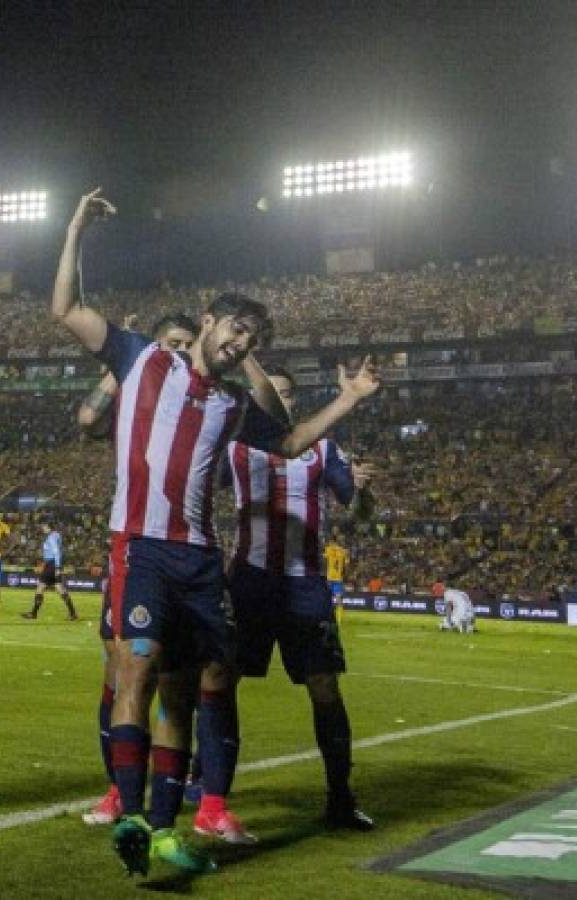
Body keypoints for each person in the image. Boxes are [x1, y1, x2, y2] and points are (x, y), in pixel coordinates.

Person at [53, 188, 380, 876]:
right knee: (134, 669)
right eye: (233, 331)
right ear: (207, 321)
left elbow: (290, 442)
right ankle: (133, 812)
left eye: (251, 341)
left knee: (183, 687)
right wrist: (76, 228)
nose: (239, 344)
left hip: (200, 559)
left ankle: (167, 826)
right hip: (139, 545)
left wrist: (346, 401)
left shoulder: (230, 405)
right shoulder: (143, 358)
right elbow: (65, 310)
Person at [199, 366, 377, 840]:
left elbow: (358, 511)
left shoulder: (323, 447)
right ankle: (209, 789)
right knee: (220, 678)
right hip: (249, 582)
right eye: (265, 394)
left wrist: (364, 490)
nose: (271, 401)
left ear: (291, 402)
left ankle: (340, 797)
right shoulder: (235, 445)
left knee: (324, 687)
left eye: (280, 395)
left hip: (305, 586)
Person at [77, 314, 197, 828]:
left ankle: (196, 795)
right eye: (170, 345)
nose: (179, 354)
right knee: (122, 671)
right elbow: (86, 419)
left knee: (185, 682)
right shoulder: (139, 390)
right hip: (134, 548)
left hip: (190, 551)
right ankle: (119, 791)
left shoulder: (203, 400)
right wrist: (121, 362)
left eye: (188, 347)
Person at [22, 522, 78, 620]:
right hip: (54, 565)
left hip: (51, 565)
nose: (42, 528)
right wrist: (58, 567)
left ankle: (33, 613)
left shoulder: (51, 537)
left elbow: (56, 552)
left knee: (40, 588)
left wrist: (57, 567)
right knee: (60, 588)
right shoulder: (57, 535)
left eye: (44, 527)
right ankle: (73, 613)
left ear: (49, 527)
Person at [323, 534, 350, 627]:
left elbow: (324, 558)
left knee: (327, 599)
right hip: (338, 578)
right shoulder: (343, 551)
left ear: (331, 541)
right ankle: (339, 620)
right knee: (339, 600)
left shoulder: (328, 549)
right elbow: (347, 564)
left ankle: (327, 619)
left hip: (330, 577)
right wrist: (344, 573)